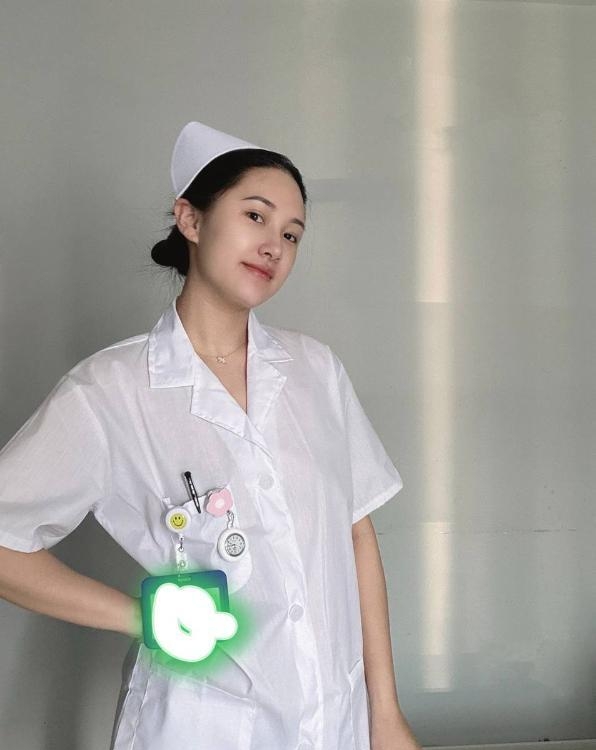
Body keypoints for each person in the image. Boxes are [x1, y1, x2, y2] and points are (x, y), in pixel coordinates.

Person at [0, 121, 421, 750]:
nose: (274, 246)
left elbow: (356, 533)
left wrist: (384, 712)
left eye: (292, 234)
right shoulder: (110, 391)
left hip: (338, 720)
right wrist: (143, 618)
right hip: (200, 725)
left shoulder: (316, 371)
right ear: (191, 220)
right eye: (255, 216)